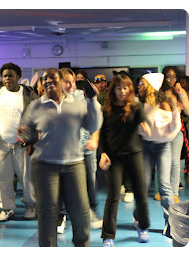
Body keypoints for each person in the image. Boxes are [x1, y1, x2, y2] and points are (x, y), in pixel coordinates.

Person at [17, 68, 103, 247]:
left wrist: (93, 101)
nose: (48, 81)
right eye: (45, 79)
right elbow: (27, 133)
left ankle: (82, 247)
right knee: (48, 213)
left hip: (74, 163)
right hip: (45, 165)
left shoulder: (77, 103)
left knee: (80, 211)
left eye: (52, 77)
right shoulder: (36, 105)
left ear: (62, 81)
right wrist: (24, 136)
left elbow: (93, 125)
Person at [99, 74, 151, 247]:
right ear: (113, 89)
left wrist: (144, 125)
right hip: (114, 157)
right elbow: (102, 134)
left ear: (130, 89)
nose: (122, 91)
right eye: (118, 87)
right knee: (113, 196)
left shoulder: (135, 107)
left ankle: (142, 226)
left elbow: (142, 120)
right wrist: (102, 153)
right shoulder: (106, 109)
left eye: (125, 87)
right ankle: (108, 235)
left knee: (141, 194)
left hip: (134, 154)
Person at [0, 63, 38, 222]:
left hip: (23, 144)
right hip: (1, 143)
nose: (7, 78)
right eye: (5, 75)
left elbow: (37, 119)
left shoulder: (28, 94)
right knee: (3, 177)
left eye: (11, 75)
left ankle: (30, 206)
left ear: (18, 77)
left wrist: (31, 142)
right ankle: (7, 208)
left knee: (27, 177)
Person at [137, 73, 182, 238]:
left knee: (164, 185)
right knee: (143, 184)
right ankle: (139, 218)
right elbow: (139, 127)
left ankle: (170, 224)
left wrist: (176, 116)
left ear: (151, 86)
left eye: (142, 83)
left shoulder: (164, 103)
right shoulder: (141, 103)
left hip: (163, 147)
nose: (139, 85)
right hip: (146, 146)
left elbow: (171, 129)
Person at [59, 68, 103, 232]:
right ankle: (62, 215)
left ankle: (91, 211)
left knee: (88, 184)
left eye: (72, 81)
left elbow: (95, 119)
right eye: (66, 81)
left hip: (84, 148)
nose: (70, 85)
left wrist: (95, 138)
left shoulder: (82, 96)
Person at [160, 66, 189, 200]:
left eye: (174, 77)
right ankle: (164, 191)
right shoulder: (158, 91)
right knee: (163, 161)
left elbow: (188, 111)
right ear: (164, 77)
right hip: (162, 130)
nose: (171, 79)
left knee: (174, 161)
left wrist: (181, 93)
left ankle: (174, 192)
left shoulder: (179, 90)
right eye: (169, 76)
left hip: (177, 130)